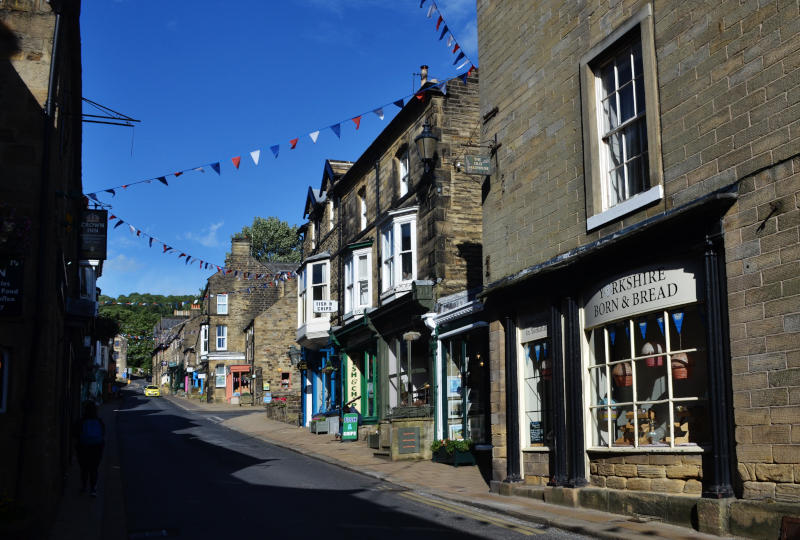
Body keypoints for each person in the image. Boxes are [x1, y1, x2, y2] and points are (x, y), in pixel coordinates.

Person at [74, 400, 105, 497]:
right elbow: (103, 433)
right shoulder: (99, 421)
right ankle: (93, 489)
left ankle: (84, 487)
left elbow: (76, 434)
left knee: (84, 469)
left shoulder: (81, 421)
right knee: (94, 469)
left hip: (83, 448)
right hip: (96, 448)